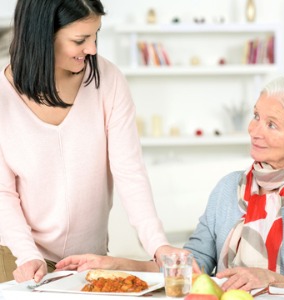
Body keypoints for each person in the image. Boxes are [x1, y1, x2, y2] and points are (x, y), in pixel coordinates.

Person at [0, 0, 187, 283]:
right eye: (80, 40)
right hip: (18, 257)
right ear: (41, 35)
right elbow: (3, 193)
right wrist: (28, 255)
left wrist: (157, 244)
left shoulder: (108, 80)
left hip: (88, 260)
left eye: (95, 35)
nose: (92, 49)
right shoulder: (3, 97)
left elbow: (129, 171)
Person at [57, 75, 284, 292]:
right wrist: (116, 265)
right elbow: (191, 266)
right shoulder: (229, 188)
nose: (254, 130)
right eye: (256, 116)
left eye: (272, 124)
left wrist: (276, 280)